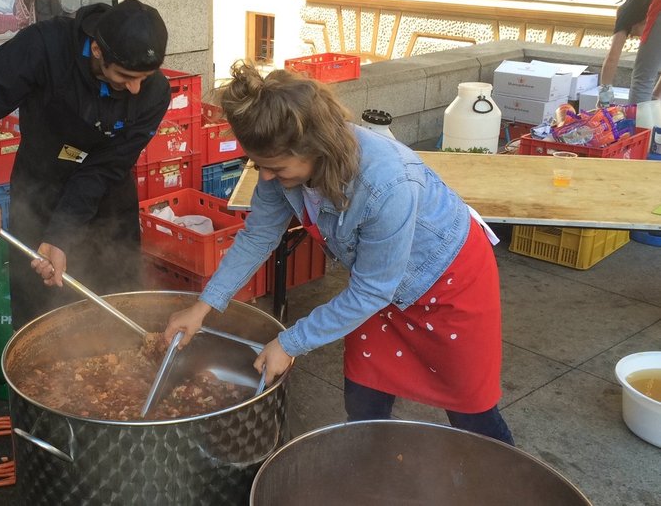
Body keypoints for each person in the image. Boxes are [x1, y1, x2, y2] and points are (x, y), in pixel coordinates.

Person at [163, 62, 514, 445]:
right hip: (377, 285)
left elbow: (371, 292)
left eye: (275, 168)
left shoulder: (387, 183)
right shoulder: (279, 165)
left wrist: (289, 342)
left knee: (469, 408)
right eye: (259, 165)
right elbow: (258, 236)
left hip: (447, 281)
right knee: (364, 395)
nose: (265, 177)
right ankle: (366, 468)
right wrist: (203, 306)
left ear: (314, 147)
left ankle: (509, 479)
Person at [0, 0, 170, 327]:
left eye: (144, 78)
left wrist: (62, 234)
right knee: (40, 313)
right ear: (98, 50)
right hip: (39, 192)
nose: (136, 89)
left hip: (107, 200)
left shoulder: (155, 91)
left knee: (117, 307)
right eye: (127, 76)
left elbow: (103, 168)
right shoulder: (44, 47)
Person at [599, 0, 661, 106]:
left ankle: (638, 126)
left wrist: (604, 95)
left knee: (642, 80)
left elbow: (612, 57)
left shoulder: (624, 16)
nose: (634, 37)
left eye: (632, 35)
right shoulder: (641, 3)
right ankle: (647, 121)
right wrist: (655, 99)